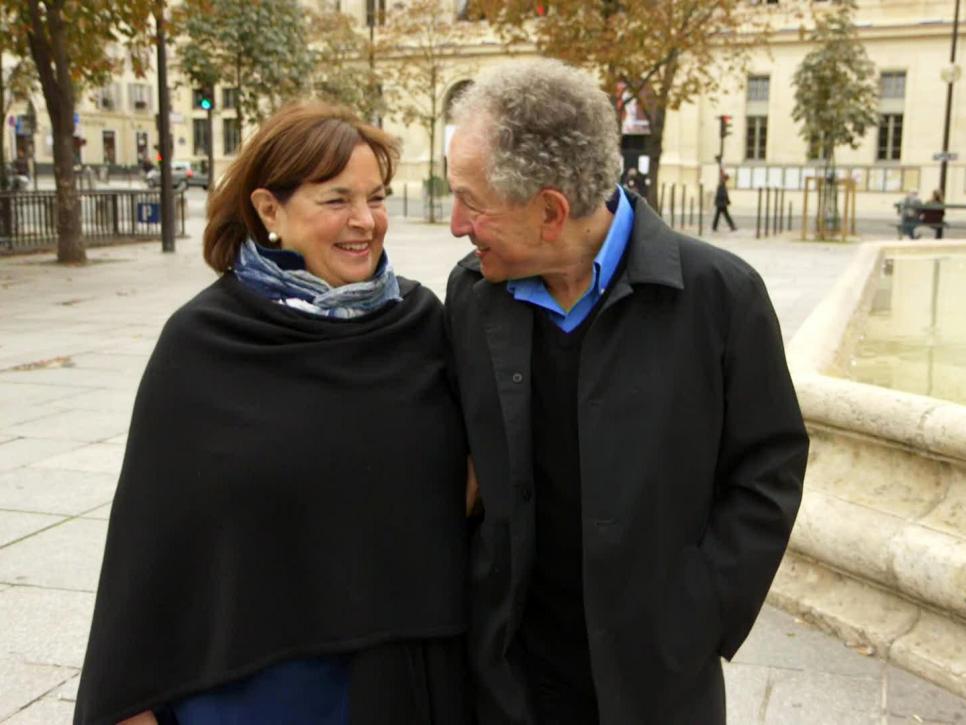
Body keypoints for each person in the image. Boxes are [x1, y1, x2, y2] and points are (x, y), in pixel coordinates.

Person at [74, 103, 470, 725]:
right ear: (268, 210)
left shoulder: (421, 324)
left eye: (377, 197)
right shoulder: (204, 342)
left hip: (399, 677)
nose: (365, 222)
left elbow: (473, 484)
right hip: (256, 686)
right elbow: (147, 544)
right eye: (337, 200)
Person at [445, 58, 808, 724]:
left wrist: (700, 612)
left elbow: (769, 467)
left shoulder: (721, 297)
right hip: (511, 682)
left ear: (550, 211)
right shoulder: (471, 295)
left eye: (472, 202)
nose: (455, 224)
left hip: (659, 685)